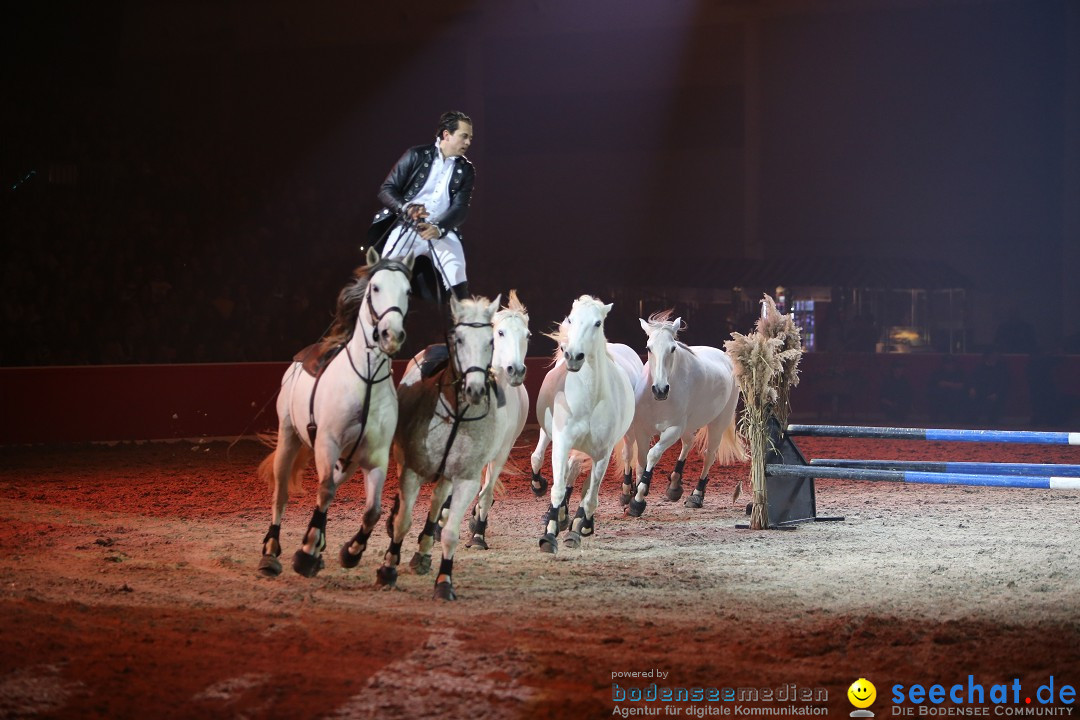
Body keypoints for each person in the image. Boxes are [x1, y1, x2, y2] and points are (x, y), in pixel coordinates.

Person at [366, 110, 475, 302]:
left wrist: (439, 227)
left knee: (457, 276)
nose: (468, 142)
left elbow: (461, 208)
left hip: (442, 231)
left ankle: (459, 329)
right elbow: (386, 189)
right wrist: (406, 208)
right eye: (464, 136)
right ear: (446, 135)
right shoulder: (415, 155)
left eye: (470, 138)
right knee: (385, 273)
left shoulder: (466, 169)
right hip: (407, 226)